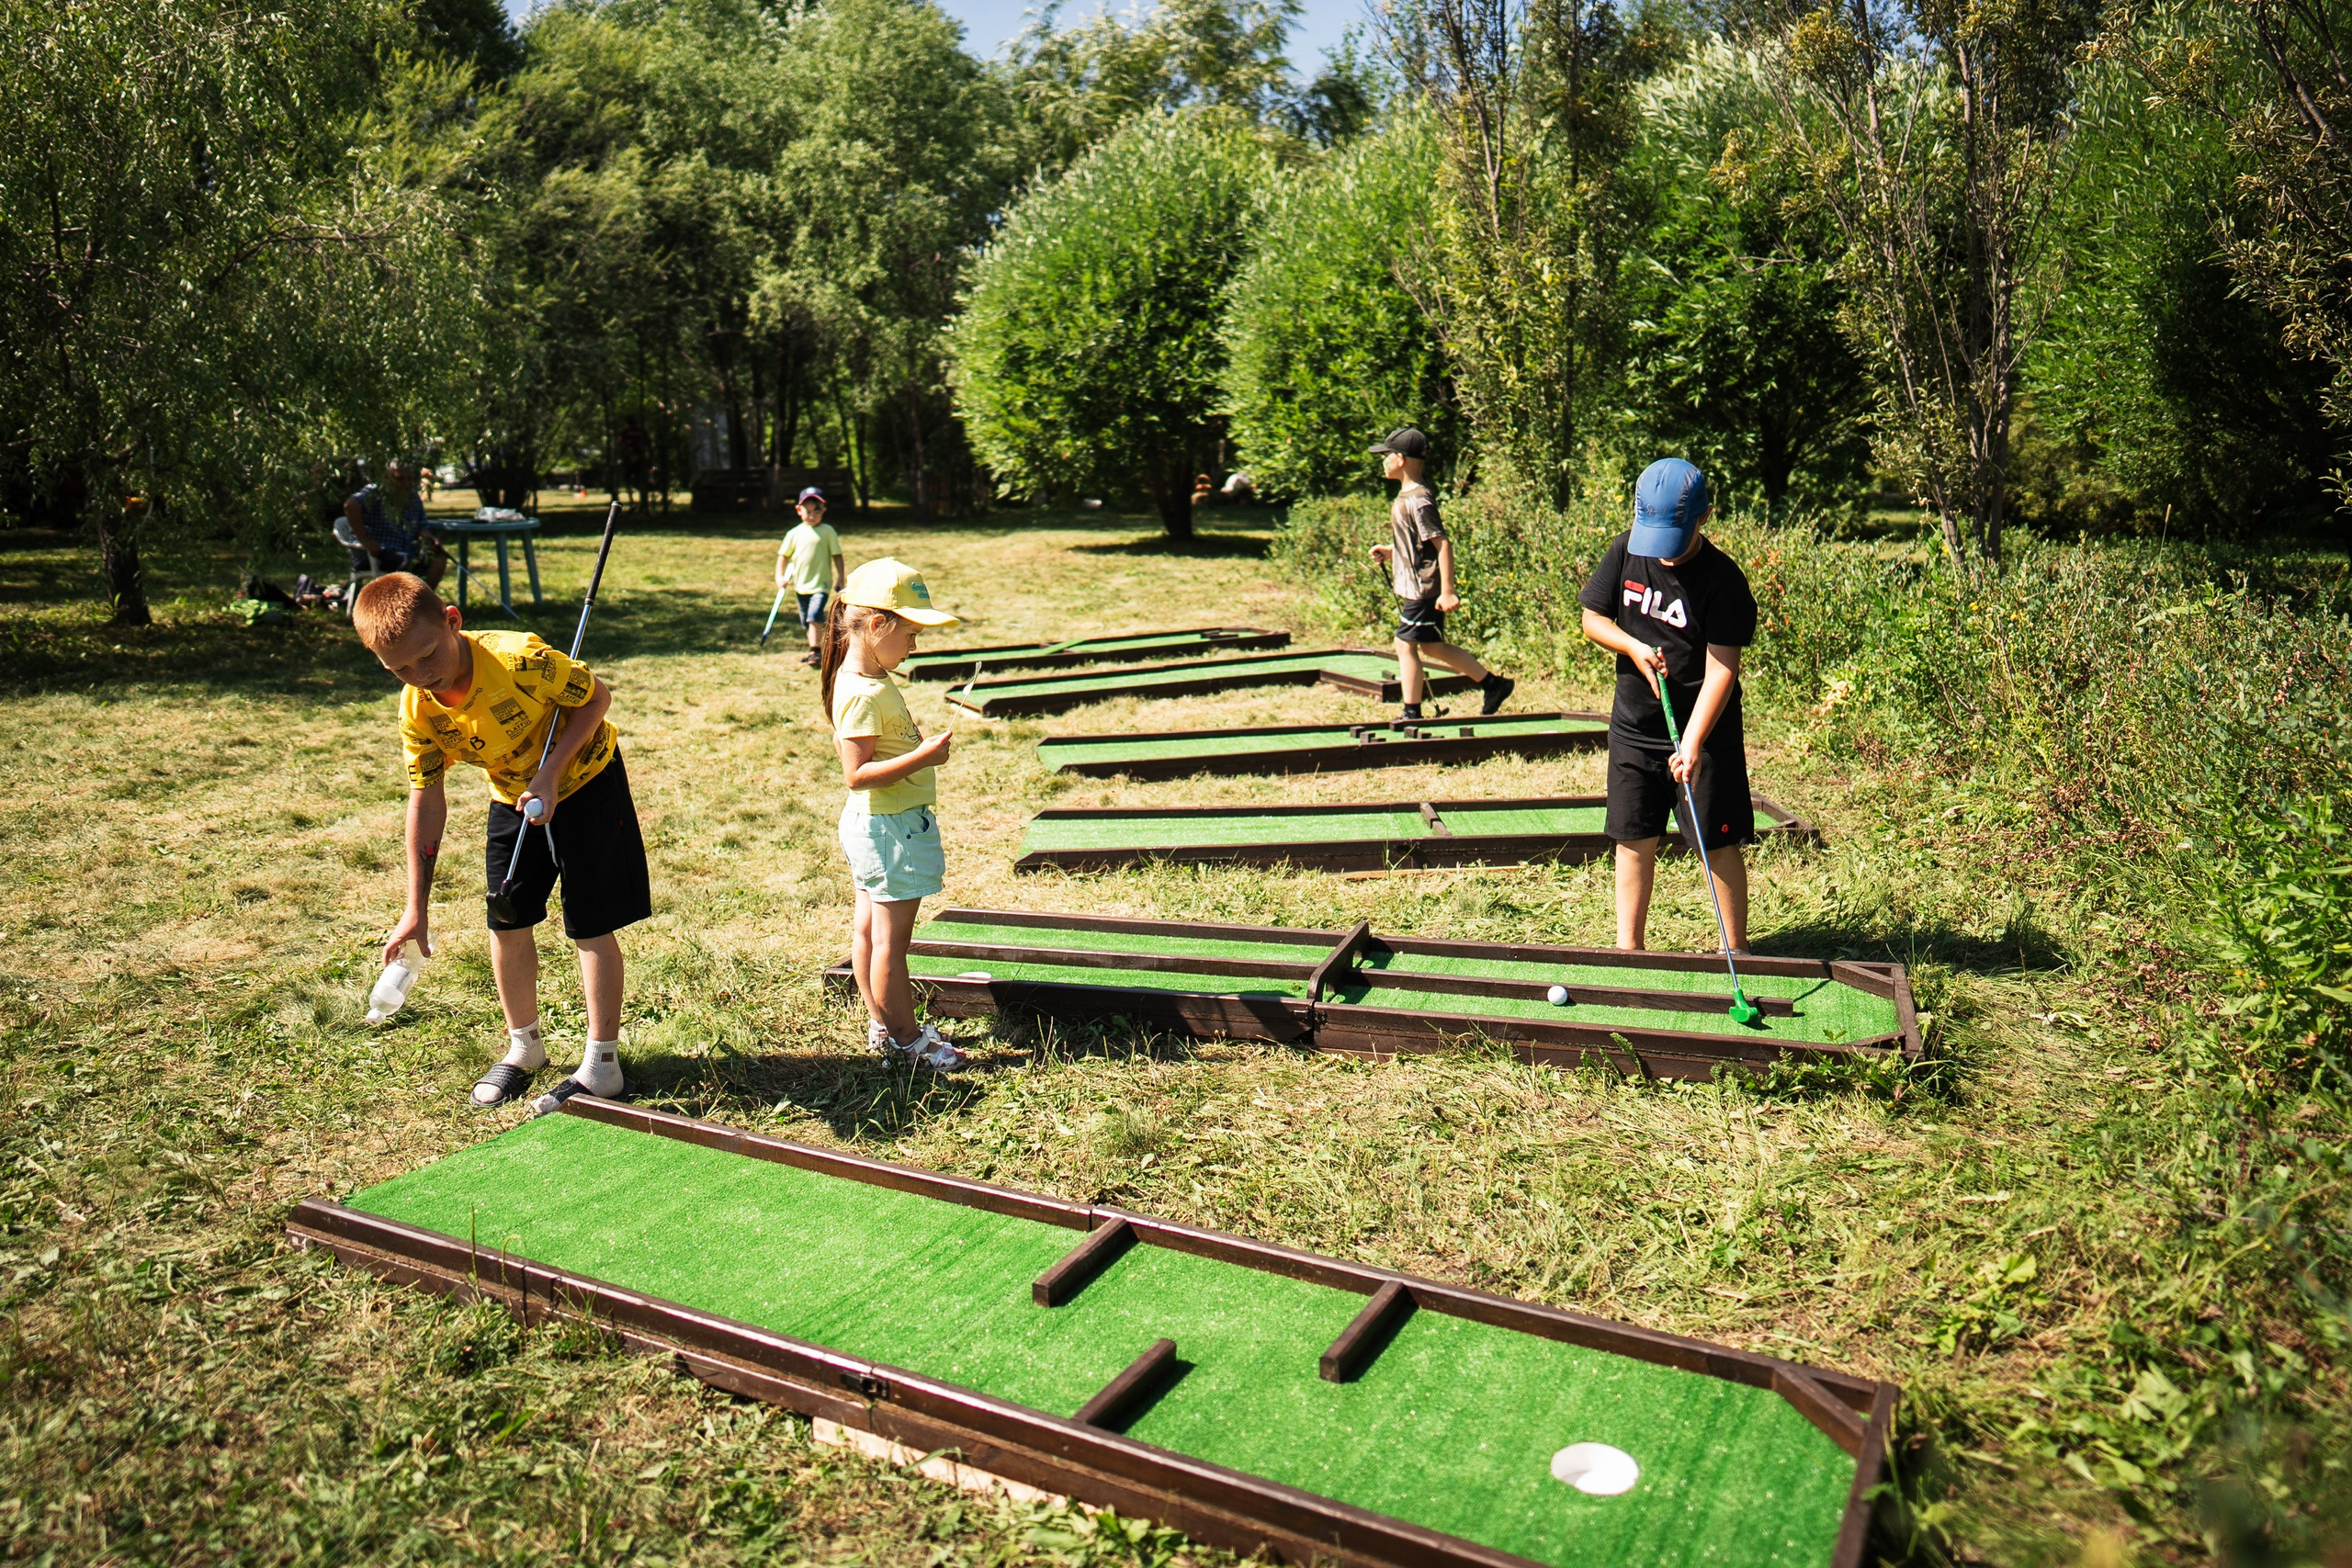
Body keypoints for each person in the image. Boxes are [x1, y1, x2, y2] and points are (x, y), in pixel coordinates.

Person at [355, 572, 653, 1111]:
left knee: (589, 922)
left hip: (585, 780)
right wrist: (414, 910)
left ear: (451, 621)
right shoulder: (418, 706)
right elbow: (426, 798)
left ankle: (602, 1066)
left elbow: (596, 698)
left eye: (426, 656)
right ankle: (524, 1047)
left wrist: (551, 774)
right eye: (398, 668)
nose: (419, 675)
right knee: (507, 919)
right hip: (514, 794)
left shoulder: (518, 660)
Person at [1577, 457, 1758, 953]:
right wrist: (1631, 646)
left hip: (1705, 733)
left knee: (1713, 842)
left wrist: (1695, 740)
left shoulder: (1723, 581)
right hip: (1635, 728)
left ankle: (1735, 950)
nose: (1666, 555)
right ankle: (1628, 950)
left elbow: (1722, 668)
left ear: (1704, 517)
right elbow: (1594, 619)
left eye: (1674, 539)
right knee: (1633, 838)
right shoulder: (1625, 553)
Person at [821, 558, 966, 1071]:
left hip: (877, 824)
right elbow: (857, 774)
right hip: (891, 826)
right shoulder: (865, 691)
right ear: (878, 625)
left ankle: (883, 1028)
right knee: (890, 945)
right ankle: (908, 1044)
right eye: (910, 633)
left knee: (868, 933)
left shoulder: (859, 678)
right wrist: (924, 755)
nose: (915, 645)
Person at [1363, 428, 1514, 720]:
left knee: (1404, 643)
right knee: (1432, 646)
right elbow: (1417, 544)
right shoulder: (1407, 496)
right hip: (1415, 586)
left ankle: (1411, 712)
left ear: (1401, 459)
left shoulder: (1418, 500)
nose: (1383, 461)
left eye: (1386, 455)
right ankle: (1494, 684)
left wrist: (1448, 590)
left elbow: (1442, 544)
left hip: (1423, 588)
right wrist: (1390, 550)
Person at [345, 460, 447, 588]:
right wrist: (365, 540)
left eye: (410, 479)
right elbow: (350, 505)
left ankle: (421, 601)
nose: (406, 484)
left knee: (438, 558)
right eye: (400, 479)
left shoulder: (413, 497)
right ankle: (405, 601)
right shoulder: (374, 492)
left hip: (405, 551)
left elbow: (422, 527)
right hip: (376, 554)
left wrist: (430, 539)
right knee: (407, 563)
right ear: (387, 478)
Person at [777, 486, 845, 668]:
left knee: (814, 616)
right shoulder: (794, 533)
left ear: (824, 510)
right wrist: (780, 576)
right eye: (808, 511)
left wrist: (840, 578)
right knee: (806, 621)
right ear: (799, 511)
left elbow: (837, 556)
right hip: (801, 585)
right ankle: (815, 650)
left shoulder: (828, 532)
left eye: (817, 511)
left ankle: (815, 651)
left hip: (820, 584)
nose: (813, 515)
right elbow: (783, 556)